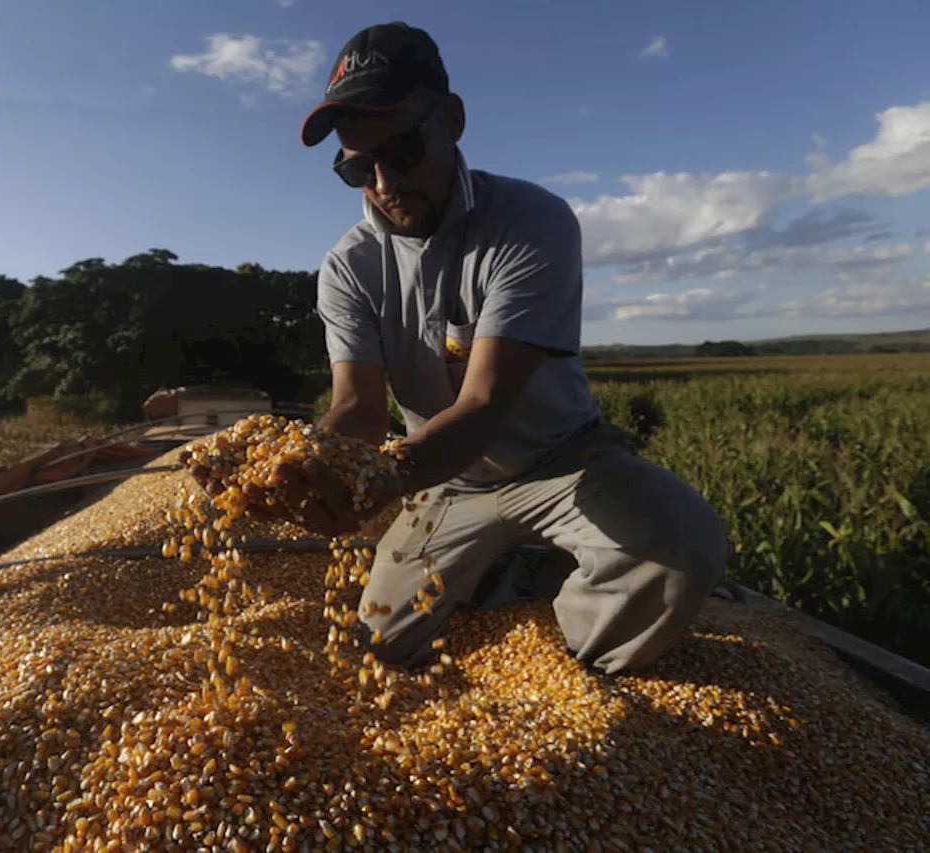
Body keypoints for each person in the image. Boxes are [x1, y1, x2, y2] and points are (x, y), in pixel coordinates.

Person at [188, 21, 731, 675]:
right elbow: (357, 409)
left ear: (451, 120)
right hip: (443, 480)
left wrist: (379, 479)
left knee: (680, 543)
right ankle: (515, 574)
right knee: (380, 644)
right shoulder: (349, 267)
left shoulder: (527, 223)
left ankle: (564, 669)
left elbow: (485, 404)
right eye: (358, 165)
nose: (385, 181)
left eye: (404, 150)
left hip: (560, 461)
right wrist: (298, 461)